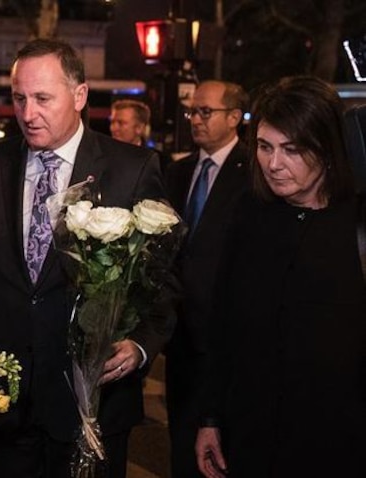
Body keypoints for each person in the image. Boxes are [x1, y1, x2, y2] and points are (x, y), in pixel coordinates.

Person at [0, 38, 172, 478]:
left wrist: (139, 347)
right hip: (7, 400)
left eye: (42, 98)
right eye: (19, 98)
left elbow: (163, 279)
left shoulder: (132, 168)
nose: (28, 113)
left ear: (79, 95)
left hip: (92, 402)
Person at [194, 76, 366, 478]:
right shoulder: (249, 214)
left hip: (340, 444)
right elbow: (222, 325)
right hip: (251, 438)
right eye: (265, 147)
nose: (273, 164)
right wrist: (210, 418)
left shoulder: (356, 224)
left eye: (292, 149)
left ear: (326, 148)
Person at [162, 80, 249, 478]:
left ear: (234, 117)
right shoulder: (177, 172)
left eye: (205, 111)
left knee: (223, 451)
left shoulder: (254, 172)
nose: (195, 119)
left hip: (228, 337)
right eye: (192, 111)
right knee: (181, 446)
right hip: (180, 339)